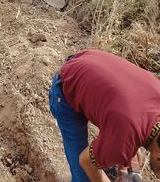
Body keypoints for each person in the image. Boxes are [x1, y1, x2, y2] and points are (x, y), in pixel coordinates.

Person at [49, 49, 160, 181]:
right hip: (65, 86)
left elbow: (136, 117)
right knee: (84, 176)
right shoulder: (124, 137)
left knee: (125, 154)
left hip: (90, 59)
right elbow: (85, 161)